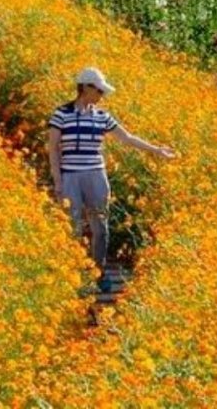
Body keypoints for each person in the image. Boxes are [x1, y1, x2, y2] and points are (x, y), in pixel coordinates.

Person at [46, 66, 175, 275]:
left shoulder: (102, 116)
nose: (101, 95)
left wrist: (156, 150)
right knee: (73, 226)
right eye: (98, 91)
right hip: (70, 176)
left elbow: (127, 138)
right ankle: (74, 272)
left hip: (96, 175)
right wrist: (58, 181)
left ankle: (98, 270)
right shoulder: (61, 114)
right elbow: (53, 148)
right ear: (85, 87)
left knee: (100, 226)